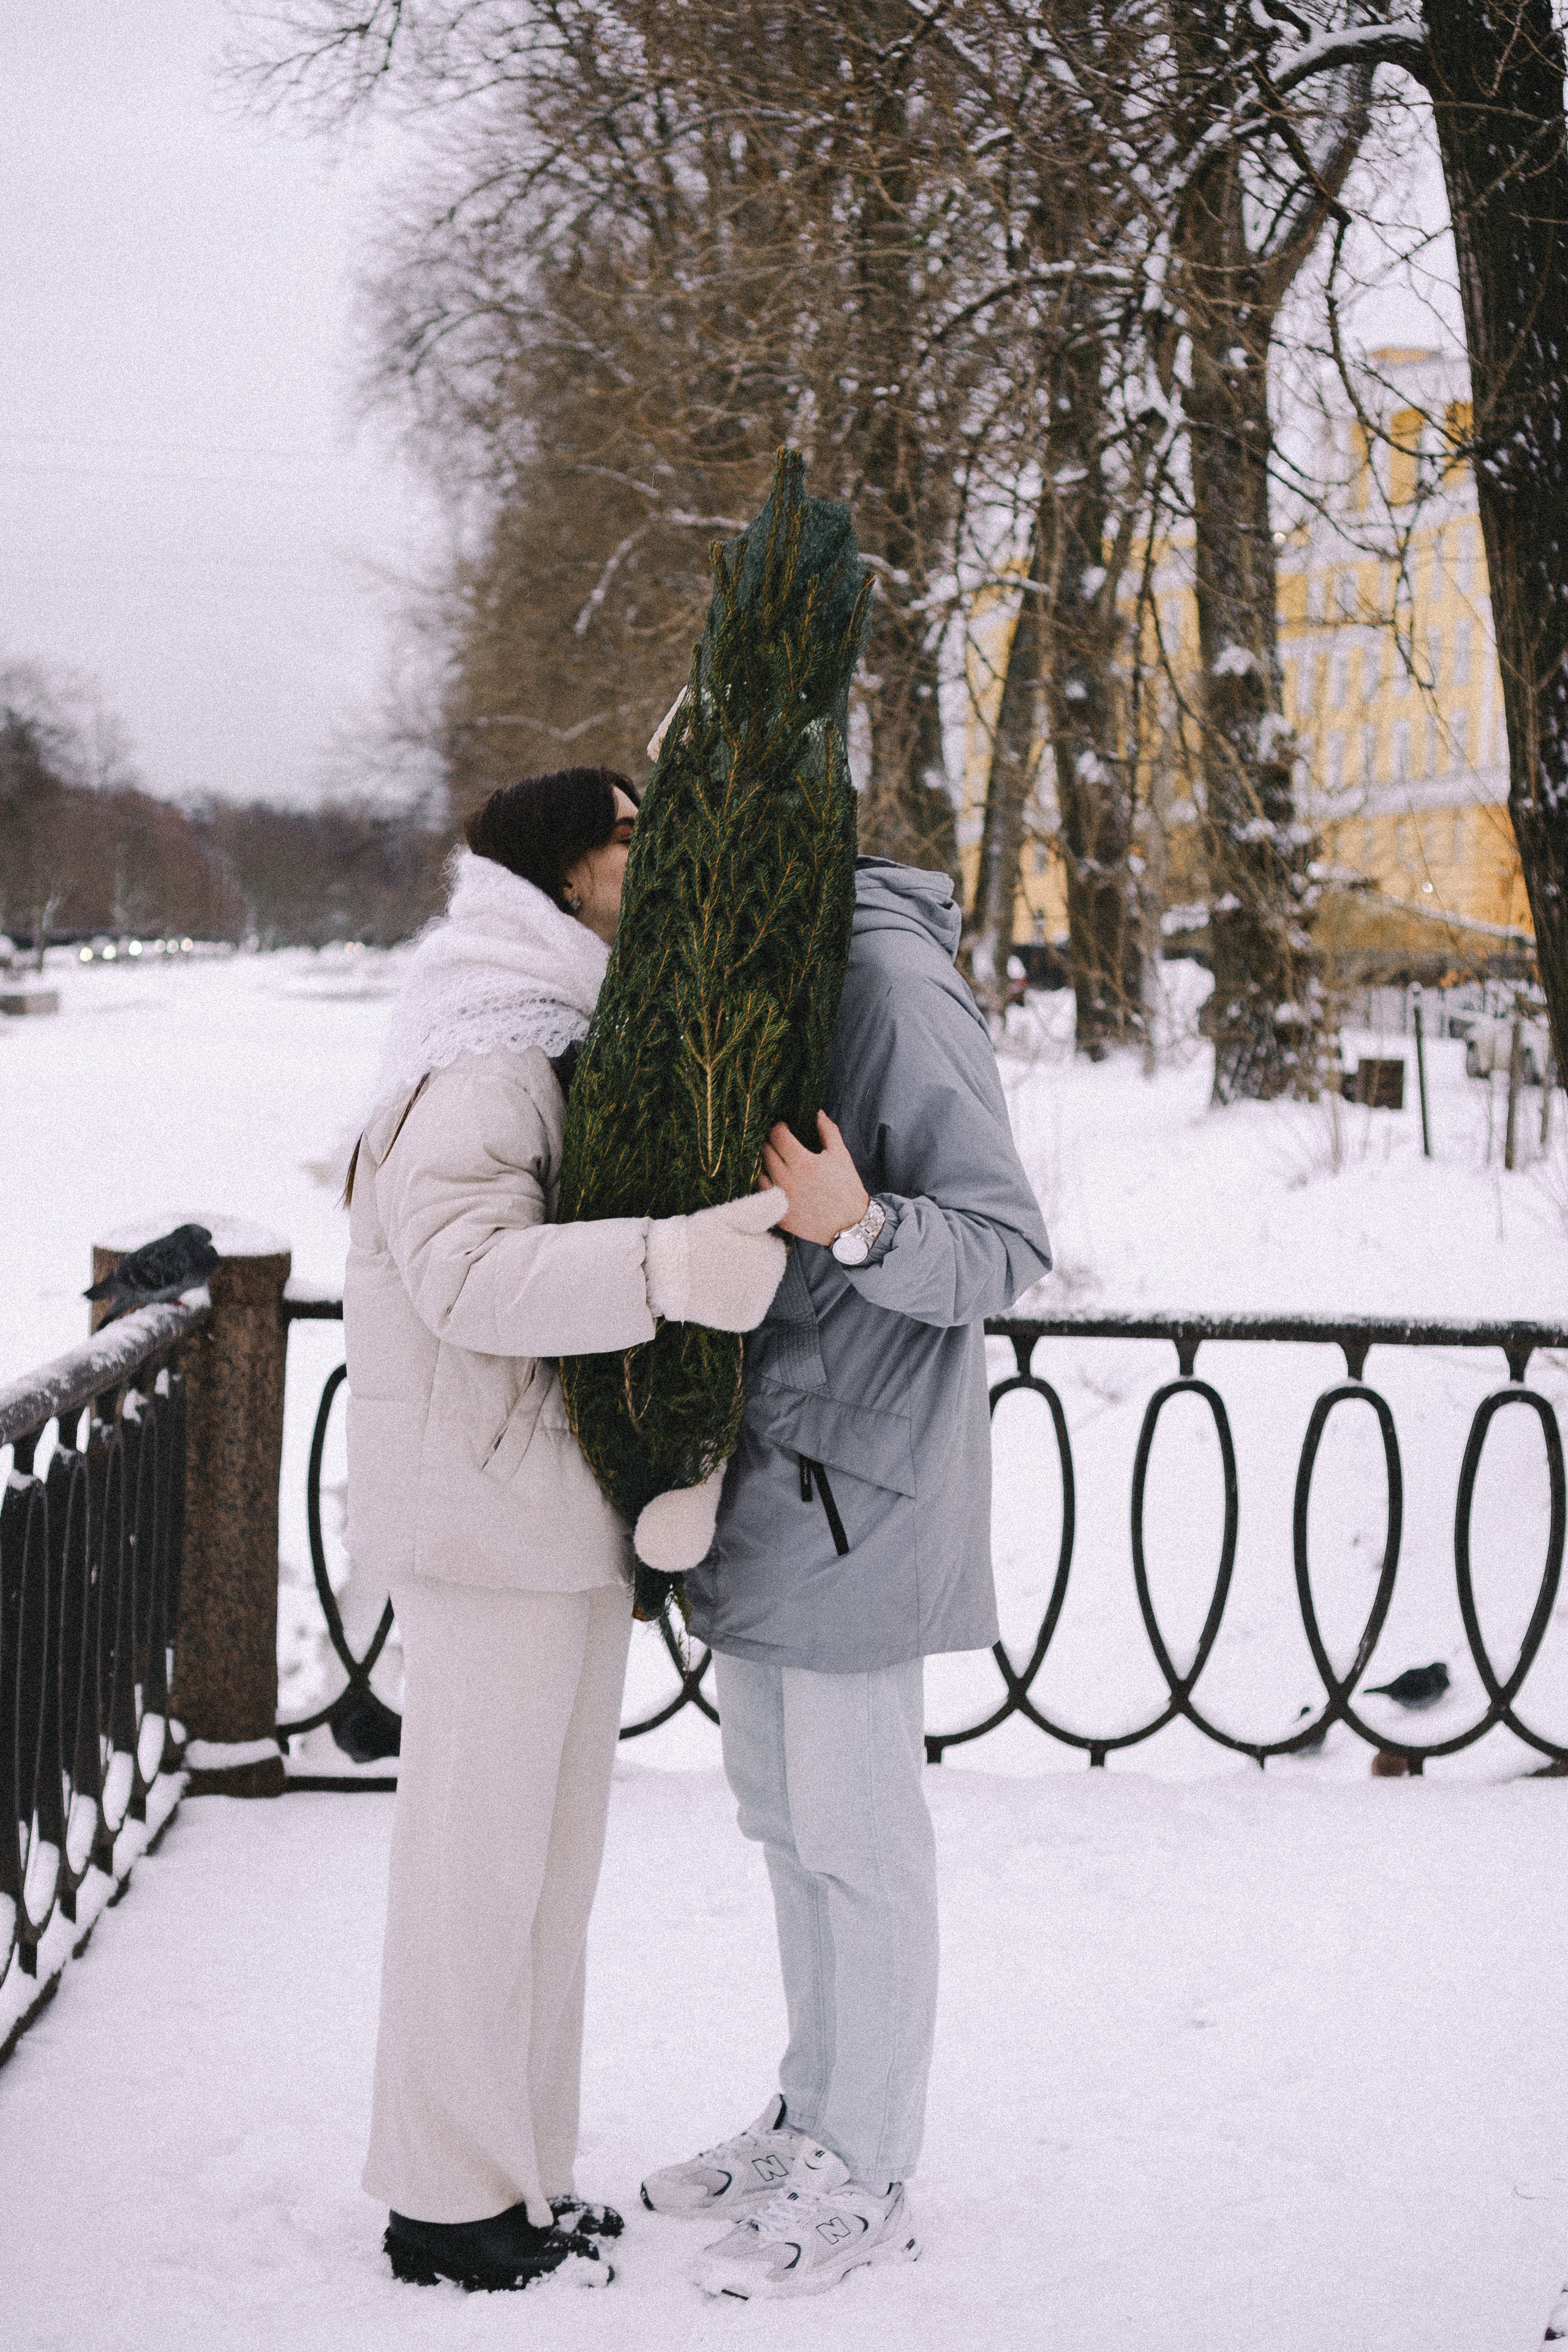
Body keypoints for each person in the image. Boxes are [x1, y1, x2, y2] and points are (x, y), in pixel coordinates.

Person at [343, 767, 789, 2294]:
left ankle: (514, 2173)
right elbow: (465, 1278)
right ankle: (443, 2197)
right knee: (478, 1873)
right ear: (563, 875)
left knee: (540, 1872)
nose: (649, 855)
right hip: (487, 1520)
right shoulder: (489, 1050)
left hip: (538, 1511)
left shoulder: (547, 1027)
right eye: (627, 835)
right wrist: (669, 1266)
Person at [641, 853, 1052, 2300]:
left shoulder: (879, 976)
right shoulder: (758, 966)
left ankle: (868, 2167)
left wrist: (861, 1223)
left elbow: (1004, 1246)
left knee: (860, 1842)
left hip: (856, 1488)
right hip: (767, 1473)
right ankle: (810, 2115)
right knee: (784, 1822)